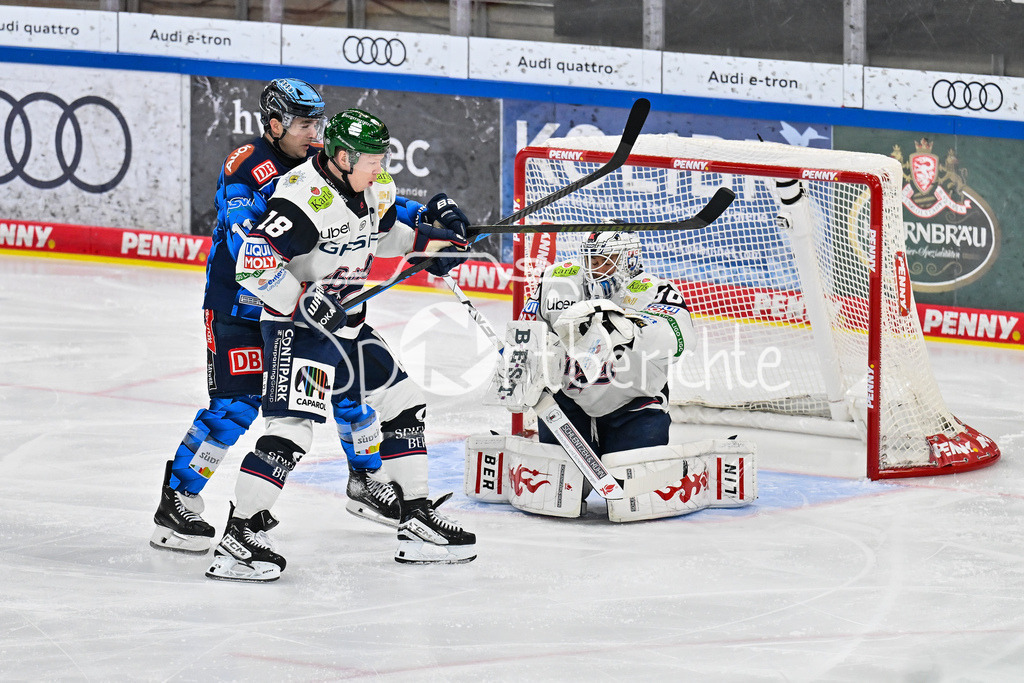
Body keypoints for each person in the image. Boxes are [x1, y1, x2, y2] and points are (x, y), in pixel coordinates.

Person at [205, 108, 476, 582]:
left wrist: (433, 248)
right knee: (292, 431)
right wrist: (302, 300)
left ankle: (415, 519)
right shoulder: (303, 200)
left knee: (403, 401)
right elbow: (253, 264)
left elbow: (389, 234)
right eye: (372, 159)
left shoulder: (373, 188)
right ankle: (240, 533)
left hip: (346, 327)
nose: (381, 167)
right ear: (343, 157)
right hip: (300, 330)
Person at [150, 80, 410, 556]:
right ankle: (178, 498)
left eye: (318, 122)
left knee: (350, 389)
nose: (316, 132)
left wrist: (427, 218)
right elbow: (244, 242)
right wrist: (290, 288)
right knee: (236, 408)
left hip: (307, 312)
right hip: (241, 308)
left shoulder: (324, 159)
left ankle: (366, 480)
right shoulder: (247, 163)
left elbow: (375, 204)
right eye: (305, 123)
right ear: (275, 125)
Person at [464, 229, 758, 522]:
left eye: (607, 260)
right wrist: (518, 375)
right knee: (559, 493)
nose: (596, 269)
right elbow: (527, 332)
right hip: (568, 405)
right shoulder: (557, 282)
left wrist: (630, 330)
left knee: (635, 496)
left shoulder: (653, 290)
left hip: (633, 405)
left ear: (629, 260)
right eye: (591, 260)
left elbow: (681, 339)